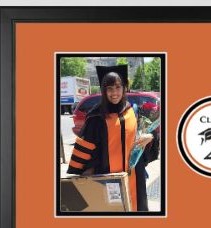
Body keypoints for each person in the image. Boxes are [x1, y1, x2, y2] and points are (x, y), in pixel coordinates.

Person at [67, 64, 159, 212]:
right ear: (103, 91)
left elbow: (144, 133)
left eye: (118, 87)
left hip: (135, 175)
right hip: (108, 177)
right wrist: (84, 174)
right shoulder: (96, 116)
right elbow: (84, 148)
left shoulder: (132, 110)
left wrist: (151, 137)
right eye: (109, 88)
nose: (114, 92)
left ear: (124, 88)